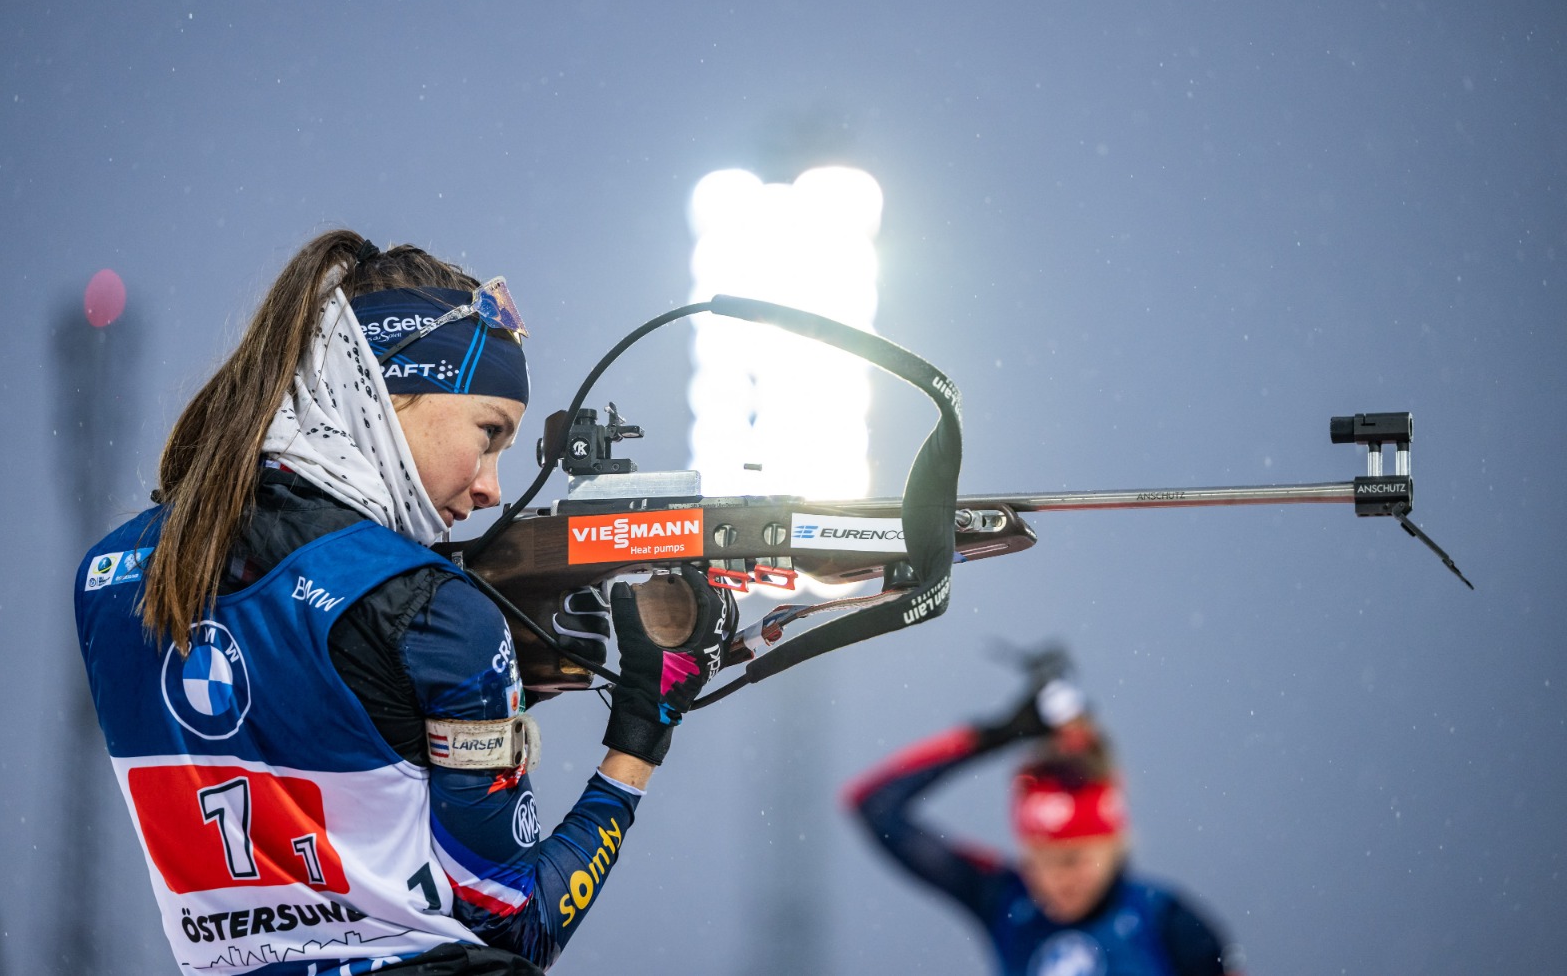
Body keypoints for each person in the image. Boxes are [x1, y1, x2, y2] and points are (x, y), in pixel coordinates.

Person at [74, 230, 736, 975]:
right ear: (384, 388)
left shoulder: (111, 574)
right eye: (489, 433)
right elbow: (520, 924)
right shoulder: (433, 610)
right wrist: (646, 722)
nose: (489, 487)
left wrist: (496, 680)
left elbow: (320, 716)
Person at [844, 648, 1241, 976]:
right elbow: (875, 806)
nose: (1053, 881)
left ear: (1114, 845)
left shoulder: (1168, 920)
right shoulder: (1005, 900)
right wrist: (992, 736)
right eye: (1037, 861)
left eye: (1072, 860)